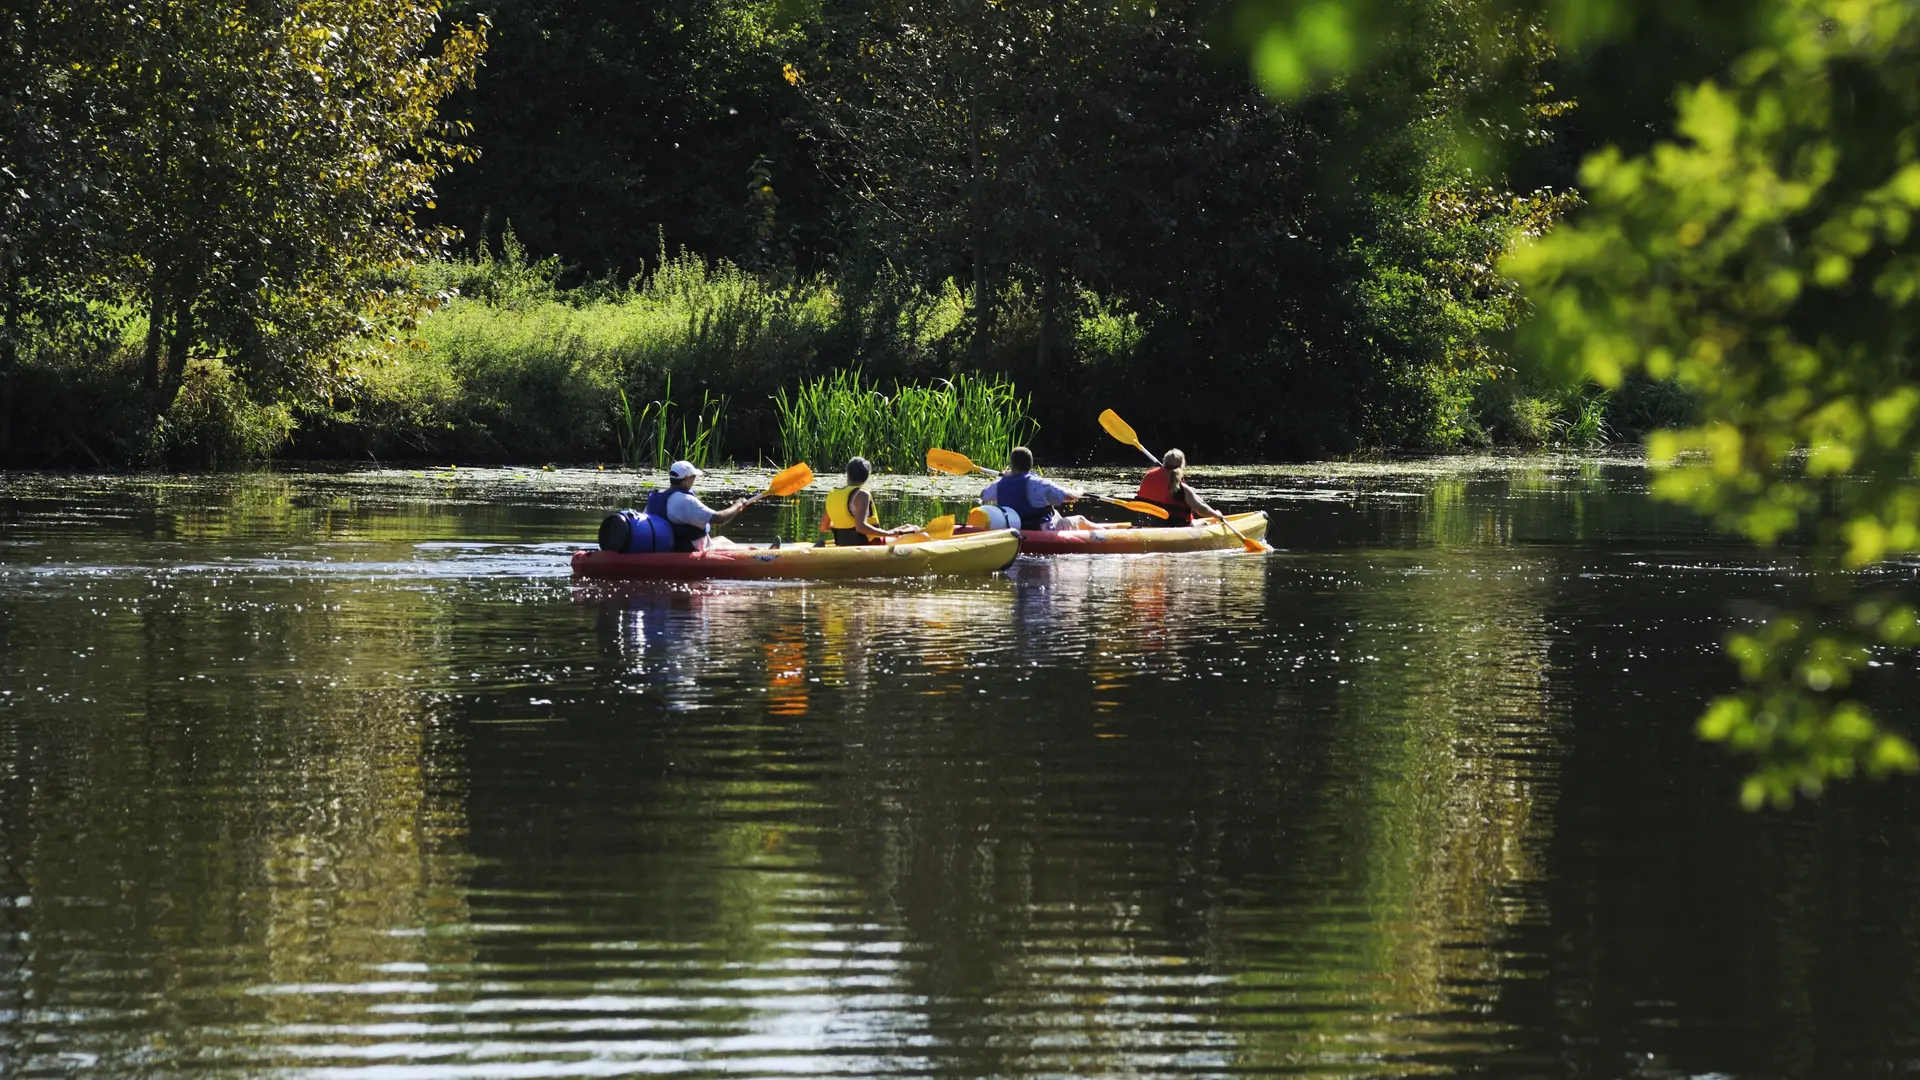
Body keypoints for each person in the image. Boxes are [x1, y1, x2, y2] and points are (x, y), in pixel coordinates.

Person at [644, 460, 747, 552]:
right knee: (729, 545)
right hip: (687, 548)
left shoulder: (656, 497)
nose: (694, 480)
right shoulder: (685, 500)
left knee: (722, 539)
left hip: (664, 546)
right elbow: (719, 519)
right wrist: (738, 506)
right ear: (687, 479)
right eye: (693, 477)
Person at [980, 446, 1093, 530]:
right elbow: (1069, 497)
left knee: (1056, 514)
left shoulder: (999, 483)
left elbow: (983, 496)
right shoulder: (1040, 484)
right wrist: (1079, 491)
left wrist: (1008, 474)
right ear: (1030, 465)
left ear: (1012, 465)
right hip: (1041, 530)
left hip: (1014, 530)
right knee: (1080, 519)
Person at [819, 457, 924, 546]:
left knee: (910, 527)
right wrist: (887, 533)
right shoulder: (862, 495)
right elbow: (860, 527)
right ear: (867, 476)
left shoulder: (834, 494)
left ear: (848, 473)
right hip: (868, 544)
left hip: (841, 543)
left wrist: (842, 526)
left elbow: (823, 527)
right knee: (920, 534)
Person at [1136, 448, 1226, 526]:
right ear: (1182, 465)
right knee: (1205, 524)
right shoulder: (1181, 488)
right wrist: (1216, 514)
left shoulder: (1148, 476)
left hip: (1144, 523)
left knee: (1196, 522)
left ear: (1164, 462)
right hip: (1173, 526)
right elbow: (1201, 509)